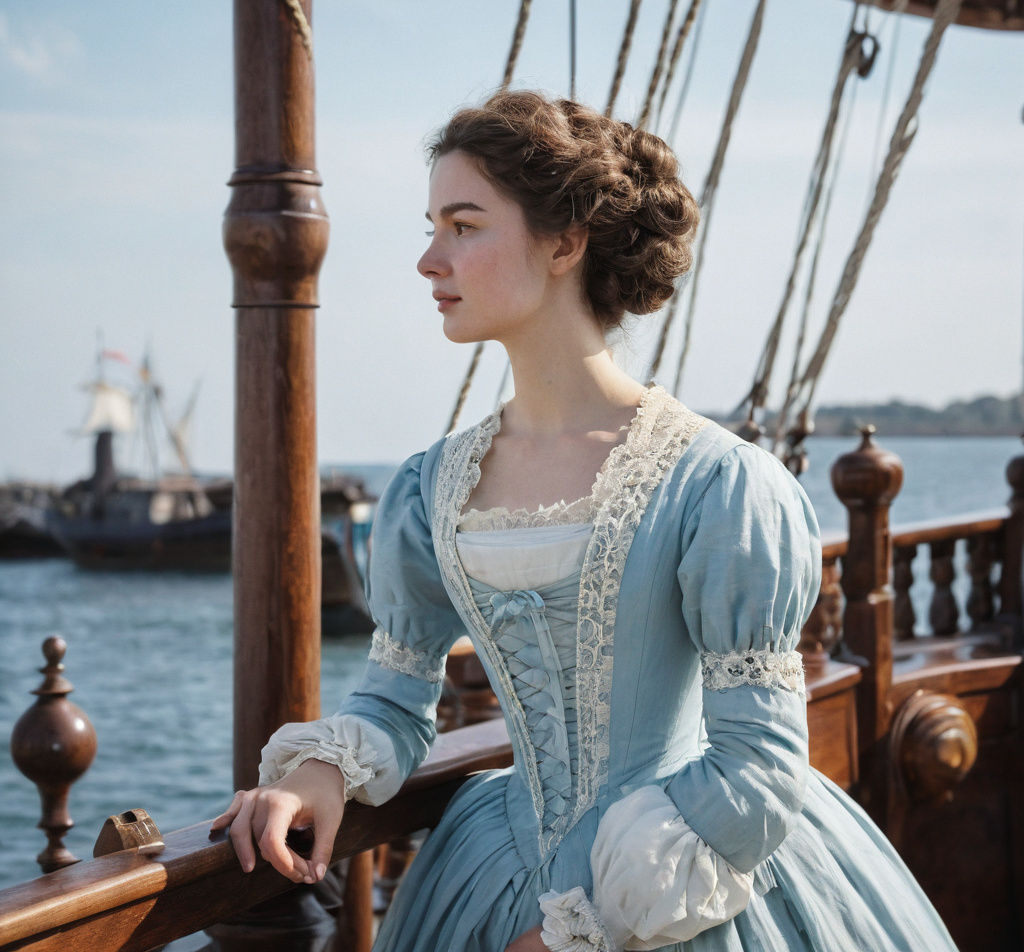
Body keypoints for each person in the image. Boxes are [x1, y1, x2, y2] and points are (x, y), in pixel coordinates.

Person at [211, 90, 958, 952]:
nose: (427, 260)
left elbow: (758, 768)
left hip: (686, 890)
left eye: (462, 225)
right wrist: (316, 774)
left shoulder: (714, 484)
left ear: (566, 241)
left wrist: (589, 928)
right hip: (493, 876)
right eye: (432, 227)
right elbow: (396, 696)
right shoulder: (431, 488)